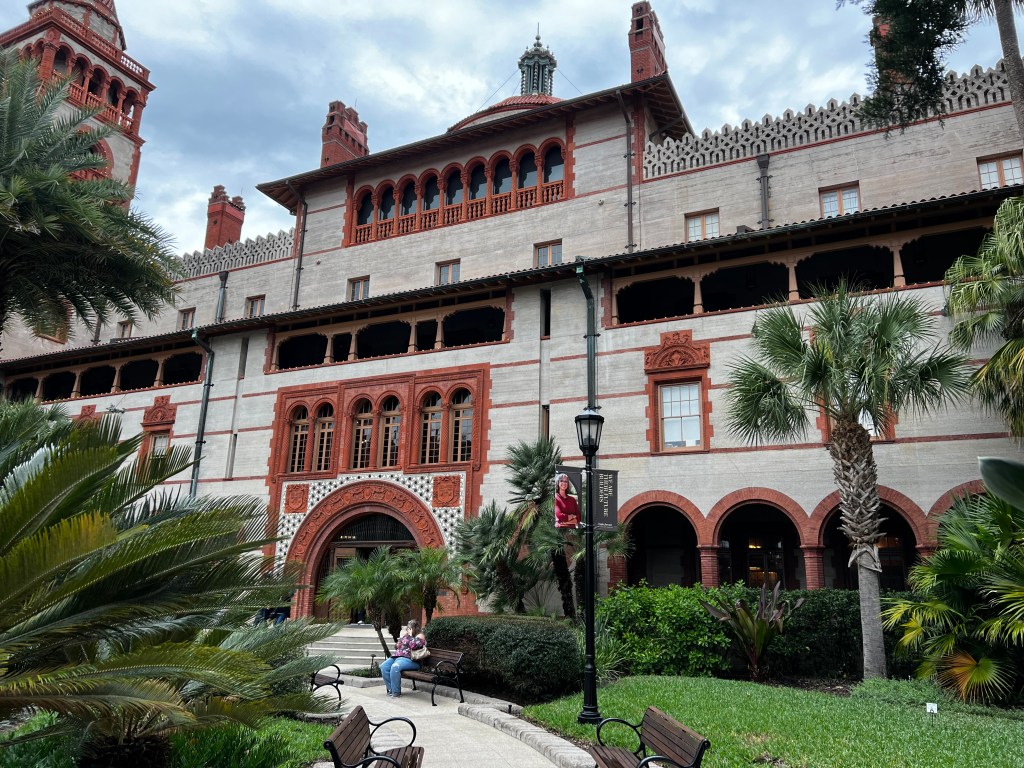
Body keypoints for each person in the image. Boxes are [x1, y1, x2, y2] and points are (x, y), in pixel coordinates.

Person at [379, 619, 426, 697]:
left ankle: (396, 692)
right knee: (384, 667)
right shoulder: (406, 635)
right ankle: (391, 690)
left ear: (415, 628)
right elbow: (397, 645)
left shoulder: (420, 636)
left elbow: (414, 646)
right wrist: (397, 645)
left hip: (412, 660)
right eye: (407, 628)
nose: (407, 629)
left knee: (395, 667)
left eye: (409, 628)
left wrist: (410, 636)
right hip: (397, 657)